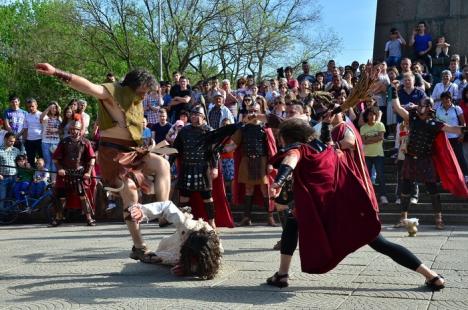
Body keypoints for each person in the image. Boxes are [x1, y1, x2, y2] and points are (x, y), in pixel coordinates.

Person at [266, 118, 446, 291]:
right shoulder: (325, 149)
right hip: (344, 203)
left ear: (287, 137)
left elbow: (291, 158)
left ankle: (430, 275)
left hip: (330, 209)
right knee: (292, 222)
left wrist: (278, 182)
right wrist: (327, 124)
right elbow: (325, 143)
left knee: (379, 243)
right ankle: (432, 276)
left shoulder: (298, 149)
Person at [35, 63, 171, 263]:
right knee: (130, 193)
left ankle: (163, 212)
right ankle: (139, 247)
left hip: (133, 150)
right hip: (112, 153)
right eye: (143, 91)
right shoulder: (112, 92)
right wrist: (57, 72)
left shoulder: (136, 101)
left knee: (163, 165)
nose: (144, 96)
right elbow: (87, 86)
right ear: (133, 85)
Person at [391, 89, 468, 229]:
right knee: (405, 189)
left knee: (432, 189)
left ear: (429, 108)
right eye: (419, 105)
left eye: (423, 106)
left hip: (425, 160)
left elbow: (454, 129)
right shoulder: (412, 118)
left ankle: (439, 219)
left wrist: (465, 130)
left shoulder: (435, 124)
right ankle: (403, 218)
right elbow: (397, 107)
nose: (420, 107)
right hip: (410, 158)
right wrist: (393, 90)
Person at [173, 106, 234, 229]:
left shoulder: (209, 131)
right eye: (193, 114)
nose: (194, 116)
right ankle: (184, 224)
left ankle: (212, 222)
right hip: (187, 167)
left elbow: (214, 151)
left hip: (203, 168)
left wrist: (215, 167)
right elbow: (176, 149)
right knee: (184, 197)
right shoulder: (184, 131)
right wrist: (170, 163)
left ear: (203, 117)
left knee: (207, 197)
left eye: (197, 114)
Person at [128, 200, 222, 279]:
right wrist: (142, 211)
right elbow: (167, 206)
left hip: (182, 252)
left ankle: (141, 253)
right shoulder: (187, 225)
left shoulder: (214, 251)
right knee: (163, 249)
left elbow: (211, 266)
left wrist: (186, 269)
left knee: (157, 258)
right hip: (174, 240)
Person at [225, 102, 278, 226]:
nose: (253, 113)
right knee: (248, 189)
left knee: (265, 190)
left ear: (260, 112)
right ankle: (246, 218)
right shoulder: (243, 128)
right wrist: (220, 150)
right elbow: (233, 144)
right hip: (247, 161)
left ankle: (270, 217)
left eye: (256, 110)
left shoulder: (266, 128)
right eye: (251, 111)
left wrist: (271, 163)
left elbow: (272, 148)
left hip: (262, 161)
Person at [51, 121, 96, 227]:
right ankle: (58, 218)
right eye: (71, 129)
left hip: (79, 174)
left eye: (76, 129)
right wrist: (60, 169)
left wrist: (88, 173)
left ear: (80, 130)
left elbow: (92, 159)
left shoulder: (85, 142)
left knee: (83, 196)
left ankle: (89, 218)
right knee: (61, 196)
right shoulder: (64, 142)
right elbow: (55, 159)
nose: (73, 131)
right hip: (65, 173)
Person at [435, 92, 468, 178]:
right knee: (444, 157)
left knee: (459, 156)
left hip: (455, 137)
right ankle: (444, 176)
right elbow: (437, 123)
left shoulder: (457, 109)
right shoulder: (438, 109)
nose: (445, 100)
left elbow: (463, 123)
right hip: (443, 138)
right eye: (443, 99)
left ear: (450, 99)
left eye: (447, 98)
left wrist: (462, 134)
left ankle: (465, 175)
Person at [360, 108, 388, 204]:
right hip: (367, 155)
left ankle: (383, 196)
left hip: (378, 154)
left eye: (374, 114)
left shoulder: (380, 125)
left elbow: (381, 137)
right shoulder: (363, 128)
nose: (372, 116)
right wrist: (375, 138)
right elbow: (364, 141)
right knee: (366, 177)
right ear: (366, 116)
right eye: (370, 115)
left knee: (380, 176)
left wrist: (369, 139)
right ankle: (368, 196)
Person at [40, 101, 61, 181]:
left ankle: (53, 181)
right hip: (45, 142)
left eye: (55, 108)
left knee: (54, 162)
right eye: (52, 107)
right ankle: (45, 180)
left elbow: (62, 130)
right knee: (47, 161)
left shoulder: (59, 118)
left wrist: (55, 130)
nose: (53, 109)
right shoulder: (46, 117)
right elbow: (41, 117)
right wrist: (49, 108)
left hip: (56, 142)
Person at [0, 133, 21, 208]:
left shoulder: (16, 150)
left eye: (13, 141)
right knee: (2, 197)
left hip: (14, 177)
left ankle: (8, 214)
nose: (12, 143)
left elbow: (21, 162)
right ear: (5, 139)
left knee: (10, 196)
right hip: (3, 177)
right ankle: (2, 215)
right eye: (10, 141)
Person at [23, 98, 43, 167]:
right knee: (30, 159)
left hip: (40, 140)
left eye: (32, 106)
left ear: (36, 105)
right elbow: (25, 129)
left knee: (42, 159)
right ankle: (32, 176)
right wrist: (24, 140)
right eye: (29, 107)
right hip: (29, 141)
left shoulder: (42, 114)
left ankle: (44, 176)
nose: (31, 108)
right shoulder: (27, 116)